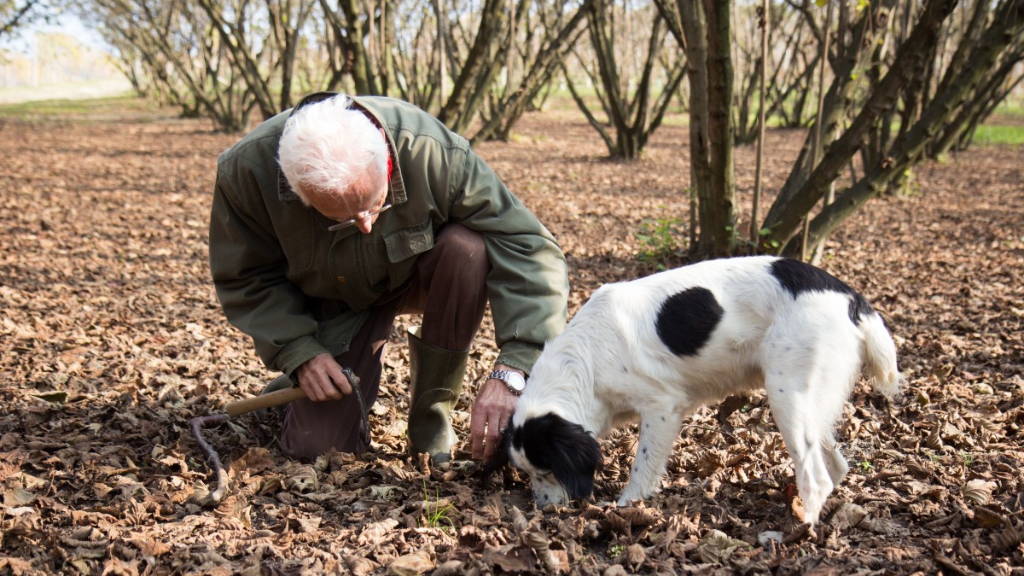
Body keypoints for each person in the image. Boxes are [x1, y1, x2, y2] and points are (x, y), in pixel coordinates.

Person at [209, 92, 568, 464]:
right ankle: (294, 388)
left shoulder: (430, 151)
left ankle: (431, 421)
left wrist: (515, 366)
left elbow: (527, 246)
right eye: (343, 219)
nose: (365, 225)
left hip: (418, 272)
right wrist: (300, 353)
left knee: (468, 249)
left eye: (375, 203)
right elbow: (246, 277)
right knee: (317, 450)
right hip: (330, 301)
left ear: (385, 156)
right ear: (296, 189)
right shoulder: (247, 173)